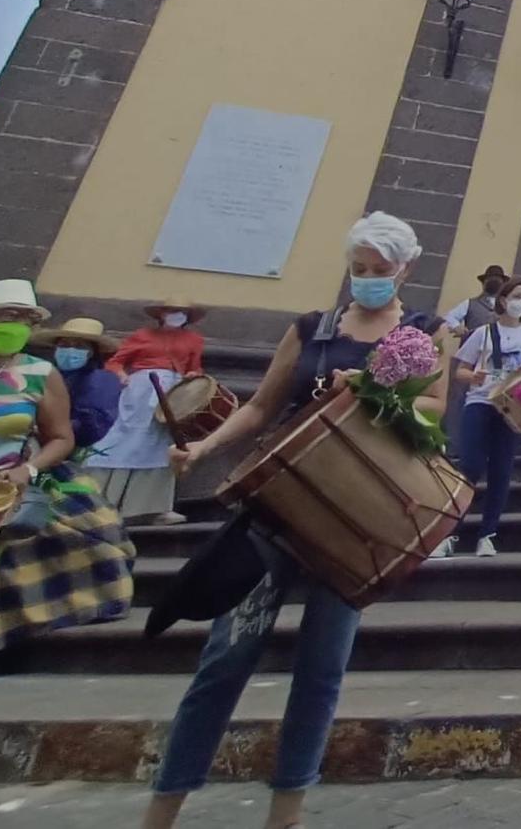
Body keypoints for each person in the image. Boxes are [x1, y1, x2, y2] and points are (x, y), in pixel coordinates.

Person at [143, 212, 450, 829]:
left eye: (379, 271)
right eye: (358, 269)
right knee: (224, 660)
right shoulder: (313, 328)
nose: (366, 280)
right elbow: (261, 406)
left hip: (359, 519)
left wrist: (370, 388)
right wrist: (202, 449)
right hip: (278, 508)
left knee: (321, 670)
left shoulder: (428, 332)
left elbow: (436, 413)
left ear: (404, 270)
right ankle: (164, 809)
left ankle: (287, 814)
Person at [0, 280, 134, 687]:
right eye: (8, 316)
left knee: (3, 550)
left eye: (25, 319)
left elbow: (61, 438)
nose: (18, 324)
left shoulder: (39, 373)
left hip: (6, 483)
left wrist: (28, 470)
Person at [435, 278, 521, 558]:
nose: (520, 302)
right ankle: (448, 534)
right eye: (516, 295)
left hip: (511, 409)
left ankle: (487, 533)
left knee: (501, 470)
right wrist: (473, 377)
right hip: (480, 401)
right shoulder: (483, 333)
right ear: (504, 299)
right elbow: (461, 369)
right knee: (469, 466)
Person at [85, 300, 208, 526]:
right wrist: (121, 376)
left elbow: (195, 367)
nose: (175, 314)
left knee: (162, 444)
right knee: (125, 438)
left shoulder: (194, 340)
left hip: (173, 394)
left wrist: (192, 378)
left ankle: (156, 508)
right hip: (140, 391)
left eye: (180, 311)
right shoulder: (142, 335)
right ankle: (98, 501)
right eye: (171, 310)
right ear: (161, 313)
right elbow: (115, 362)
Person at [36, 316, 121, 453]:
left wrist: (51, 432)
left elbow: (93, 426)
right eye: (64, 345)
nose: (70, 350)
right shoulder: (43, 373)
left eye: (79, 346)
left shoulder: (102, 380)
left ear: (92, 352)